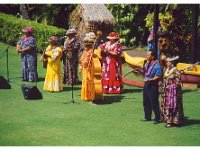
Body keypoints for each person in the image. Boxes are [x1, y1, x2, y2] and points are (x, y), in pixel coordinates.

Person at [160, 57, 184, 128]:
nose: (167, 63)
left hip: (174, 94)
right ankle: (168, 121)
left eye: (168, 62)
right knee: (167, 106)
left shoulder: (176, 71)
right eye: (167, 62)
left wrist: (170, 87)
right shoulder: (166, 70)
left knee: (174, 106)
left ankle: (175, 121)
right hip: (166, 92)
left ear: (172, 63)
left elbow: (178, 82)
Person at [79, 32, 103, 102]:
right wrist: (81, 67)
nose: (86, 46)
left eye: (88, 44)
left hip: (91, 69)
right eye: (85, 44)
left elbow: (99, 58)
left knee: (90, 81)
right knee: (85, 81)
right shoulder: (85, 51)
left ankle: (92, 95)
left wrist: (94, 55)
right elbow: (82, 60)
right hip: (85, 69)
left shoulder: (95, 51)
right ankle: (87, 95)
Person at [143, 50, 162, 124]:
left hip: (153, 86)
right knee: (146, 102)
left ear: (152, 56)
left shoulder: (157, 65)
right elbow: (145, 73)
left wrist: (149, 79)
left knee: (154, 102)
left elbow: (158, 76)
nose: (146, 56)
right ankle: (147, 117)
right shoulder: (147, 64)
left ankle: (157, 118)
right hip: (146, 85)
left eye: (148, 55)